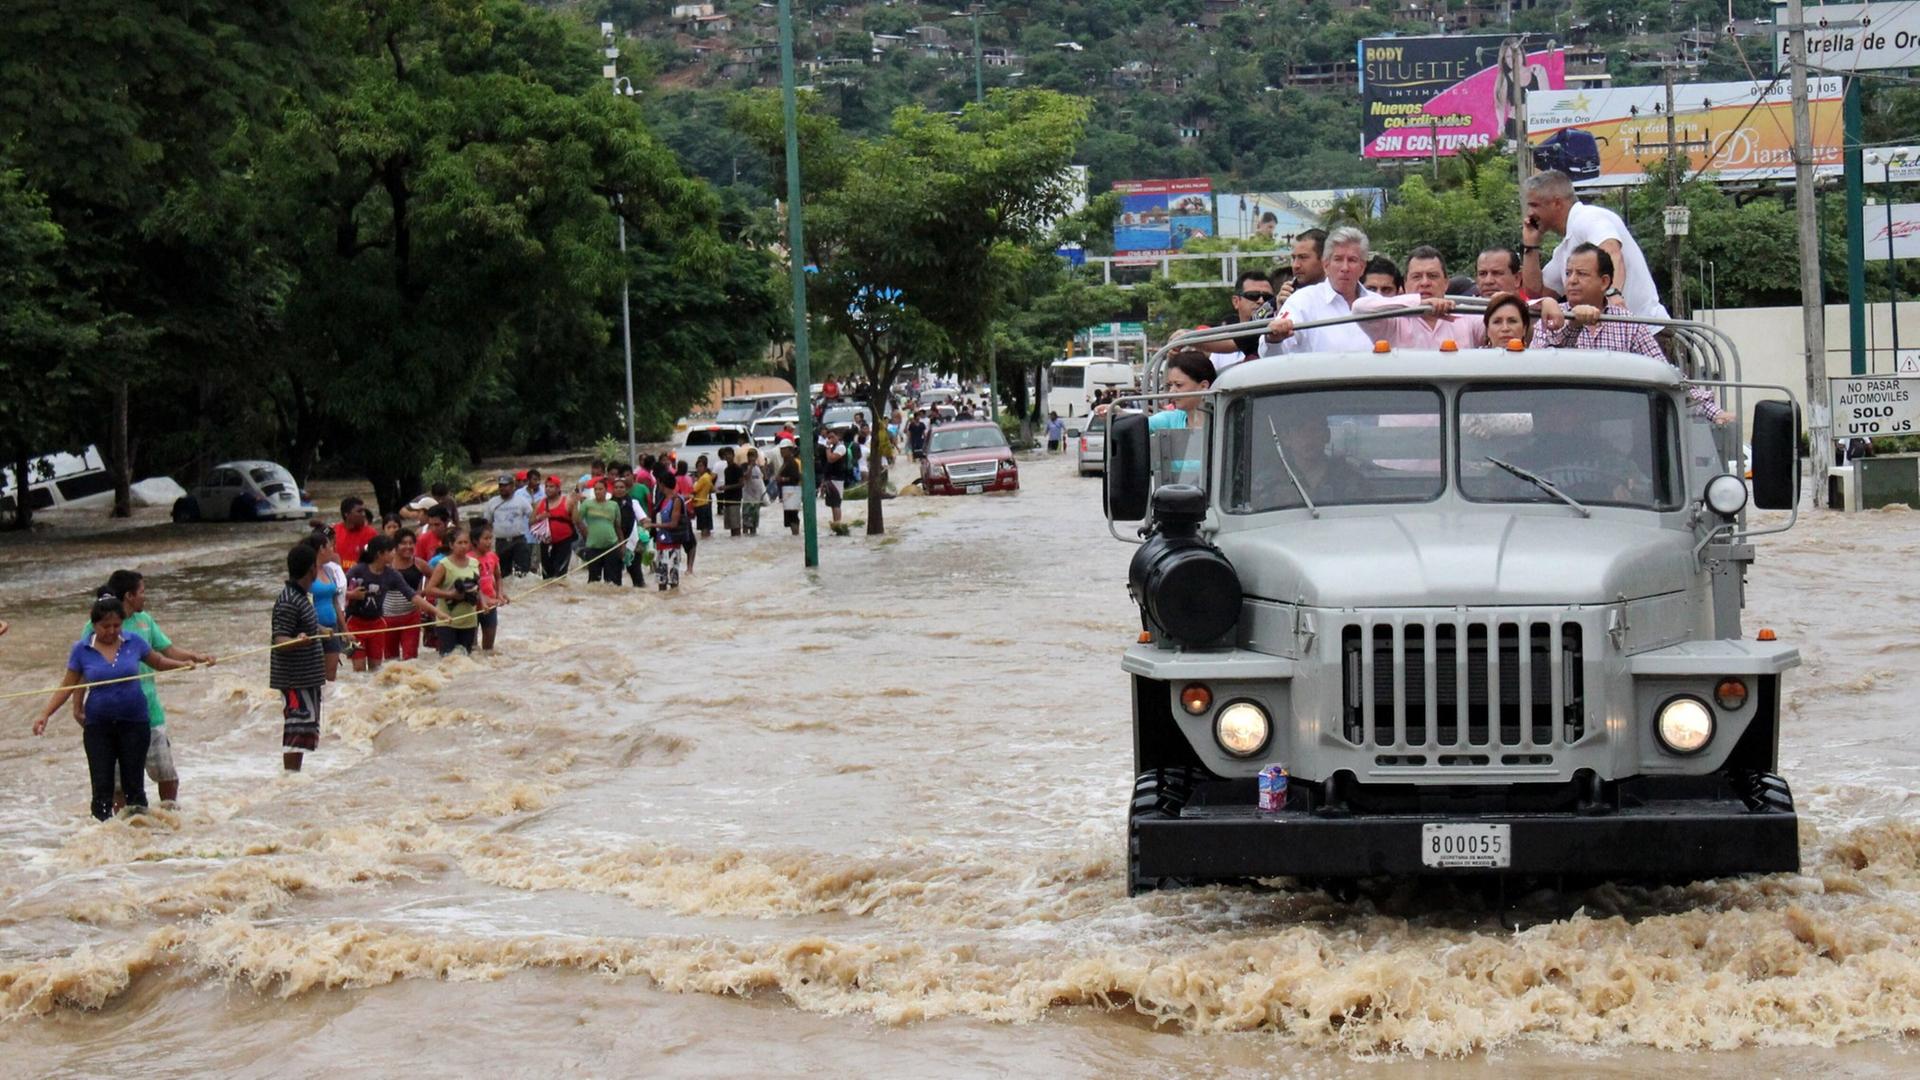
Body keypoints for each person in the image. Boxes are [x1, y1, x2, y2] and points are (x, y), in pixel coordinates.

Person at [35, 593, 198, 820]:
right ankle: (105, 834)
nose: (111, 631)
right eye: (105, 626)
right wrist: (45, 715)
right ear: (93, 625)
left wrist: (184, 664)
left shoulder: (134, 641)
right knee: (103, 786)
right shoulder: (81, 649)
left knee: (134, 786)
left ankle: (139, 833)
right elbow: (67, 686)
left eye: (116, 625)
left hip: (135, 724)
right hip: (99, 728)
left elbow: (159, 662)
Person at [82, 570, 212, 807]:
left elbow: (167, 652)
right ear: (129, 596)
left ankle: (169, 818)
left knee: (167, 774)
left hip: (149, 712)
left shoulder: (145, 621)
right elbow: (81, 667)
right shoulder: (97, 625)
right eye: (142, 592)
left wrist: (196, 657)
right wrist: (77, 708)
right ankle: (127, 828)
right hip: (114, 718)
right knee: (120, 786)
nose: (145, 597)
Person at [1521, 170, 1668, 319]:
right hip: (1617, 334)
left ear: (1557, 203)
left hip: (1649, 330)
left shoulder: (1587, 218)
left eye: (1534, 205)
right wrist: (1530, 245)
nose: (1529, 213)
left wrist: (1613, 293)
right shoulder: (1565, 248)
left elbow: (1612, 252)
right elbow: (1537, 293)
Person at [1261, 226, 1380, 356]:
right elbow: (1271, 355)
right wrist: (1273, 339)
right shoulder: (1302, 301)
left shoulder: (1380, 304)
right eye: (1338, 259)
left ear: (1362, 267)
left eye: (1352, 260)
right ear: (1326, 265)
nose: (1345, 268)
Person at [1352, 246, 1487, 350]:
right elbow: (1359, 308)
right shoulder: (1392, 321)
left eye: (1432, 276)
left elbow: (1501, 328)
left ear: (1446, 283)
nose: (1425, 283)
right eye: (1416, 277)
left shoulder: (1467, 317)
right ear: (1405, 284)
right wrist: (1419, 303)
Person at [272, 542, 327, 773]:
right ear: (311, 569)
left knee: (305, 731)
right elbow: (279, 640)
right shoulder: (288, 600)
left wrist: (322, 630)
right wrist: (298, 640)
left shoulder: (301, 596)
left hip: (308, 678)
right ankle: (289, 778)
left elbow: (305, 626)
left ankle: (295, 777)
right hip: (295, 680)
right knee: (295, 730)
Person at [1199, 270, 1279, 371]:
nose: (1261, 301)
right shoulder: (1220, 350)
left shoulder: (1277, 334)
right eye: (1253, 295)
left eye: (1268, 297)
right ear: (1236, 301)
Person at [302, 529, 352, 683]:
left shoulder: (329, 571)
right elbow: (302, 604)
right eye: (330, 546)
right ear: (321, 549)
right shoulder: (306, 573)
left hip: (332, 629)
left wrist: (345, 631)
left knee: (331, 678)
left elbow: (336, 603)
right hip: (314, 630)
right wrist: (316, 627)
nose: (333, 550)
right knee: (315, 677)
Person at [424, 527, 483, 655]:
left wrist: (483, 602)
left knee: (465, 659)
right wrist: (450, 594)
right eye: (459, 543)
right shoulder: (443, 564)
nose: (463, 546)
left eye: (466, 543)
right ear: (451, 545)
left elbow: (479, 587)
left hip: (469, 620)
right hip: (447, 620)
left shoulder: (474, 563)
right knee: (448, 659)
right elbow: (429, 590)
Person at [1480, 291, 1567, 349]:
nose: (1505, 328)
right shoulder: (1475, 359)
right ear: (1487, 330)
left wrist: (1548, 301)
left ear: (1524, 329)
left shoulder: (1537, 361)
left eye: (1512, 321)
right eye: (1497, 322)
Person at [576, 478, 623, 585]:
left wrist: (622, 544)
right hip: (593, 547)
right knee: (593, 582)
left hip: (611, 546)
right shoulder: (587, 504)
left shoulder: (613, 505)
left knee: (612, 582)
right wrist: (585, 533)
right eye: (595, 489)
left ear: (606, 490)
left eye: (600, 489)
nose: (598, 491)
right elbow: (578, 521)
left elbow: (617, 526)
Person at [485, 473, 532, 578]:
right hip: (501, 543)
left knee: (523, 574)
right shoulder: (492, 503)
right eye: (500, 485)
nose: (502, 488)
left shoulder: (521, 501)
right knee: (503, 575)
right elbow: (487, 524)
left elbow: (532, 516)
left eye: (505, 485)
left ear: (512, 486)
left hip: (519, 541)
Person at [472, 521, 509, 652]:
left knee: (489, 647)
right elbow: (470, 584)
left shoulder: (492, 556)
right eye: (485, 539)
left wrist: (500, 593)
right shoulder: (468, 559)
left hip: (491, 604)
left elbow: (498, 577)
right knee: (472, 647)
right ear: (475, 541)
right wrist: (482, 599)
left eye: (490, 538)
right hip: (472, 606)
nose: (489, 542)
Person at [651, 481, 691, 590]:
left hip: (672, 543)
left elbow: (673, 524)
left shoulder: (676, 500)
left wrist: (652, 525)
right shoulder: (662, 500)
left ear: (662, 485)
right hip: (660, 543)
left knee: (673, 581)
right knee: (661, 581)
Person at [534, 475, 575, 579]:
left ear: (558, 488)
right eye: (546, 486)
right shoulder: (539, 503)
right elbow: (530, 522)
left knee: (560, 574)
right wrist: (540, 517)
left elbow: (577, 522)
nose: (548, 489)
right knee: (547, 575)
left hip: (564, 542)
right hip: (545, 543)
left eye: (551, 486)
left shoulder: (568, 502)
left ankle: (560, 594)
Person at [1274, 227, 1327, 306]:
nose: (1295, 265)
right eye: (1293, 258)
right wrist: (1280, 310)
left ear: (1324, 259)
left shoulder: (1345, 293)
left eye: (1303, 257)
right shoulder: (1287, 296)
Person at [333, 497, 378, 566]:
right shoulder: (333, 530)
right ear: (346, 514)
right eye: (359, 511)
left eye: (364, 511)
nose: (363, 514)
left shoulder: (371, 533)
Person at [820, 428, 849, 533]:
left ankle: (838, 523)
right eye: (828, 438)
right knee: (832, 503)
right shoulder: (834, 448)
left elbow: (831, 459)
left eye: (832, 437)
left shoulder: (841, 447)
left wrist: (827, 447)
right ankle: (835, 523)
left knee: (836, 502)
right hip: (830, 478)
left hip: (837, 479)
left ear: (838, 436)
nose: (830, 439)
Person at [777, 441, 804, 535]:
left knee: (793, 516)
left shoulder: (792, 463)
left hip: (792, 491)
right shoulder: (786, 462)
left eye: (784, 449)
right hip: (787, 492)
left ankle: (796, 534)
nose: (782, 452)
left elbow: (795, 478)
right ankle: (795, 535)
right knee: (790, 516)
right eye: (781, 450)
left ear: (790, 450)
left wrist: (782, 479)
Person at [719, 447, 745, 537]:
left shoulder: (737, 468)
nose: (727, 456)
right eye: (726, 455)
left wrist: (727, 487)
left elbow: (742, 484)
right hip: (727, 500)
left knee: (736, 526)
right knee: (730, 526)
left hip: (735, 499)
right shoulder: (726, 470)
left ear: (733, 456)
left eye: (729, 454)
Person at [742, 448, 767, 536]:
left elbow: (762, 481)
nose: (752, 458)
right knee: (746, 524)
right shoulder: (744, 466)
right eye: (750, 456)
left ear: (756, 457)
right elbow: (746, 477)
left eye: (753, 456)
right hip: (747, 500)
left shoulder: (758, 468)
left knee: (754, 525)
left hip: (756, 500)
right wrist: (751, 466)